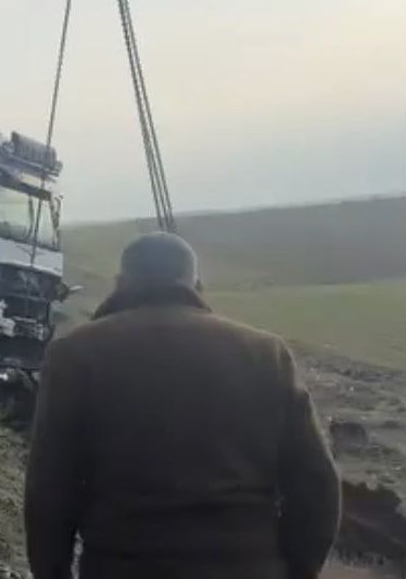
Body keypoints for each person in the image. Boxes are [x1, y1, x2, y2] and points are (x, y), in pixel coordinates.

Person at [24, 232, 340, 579]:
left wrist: (52, 573)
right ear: (197, 286)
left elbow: (49, 490)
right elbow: (317, 484)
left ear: (120, 284)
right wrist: (295, 571)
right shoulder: (265, 353)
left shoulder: (75, 354)